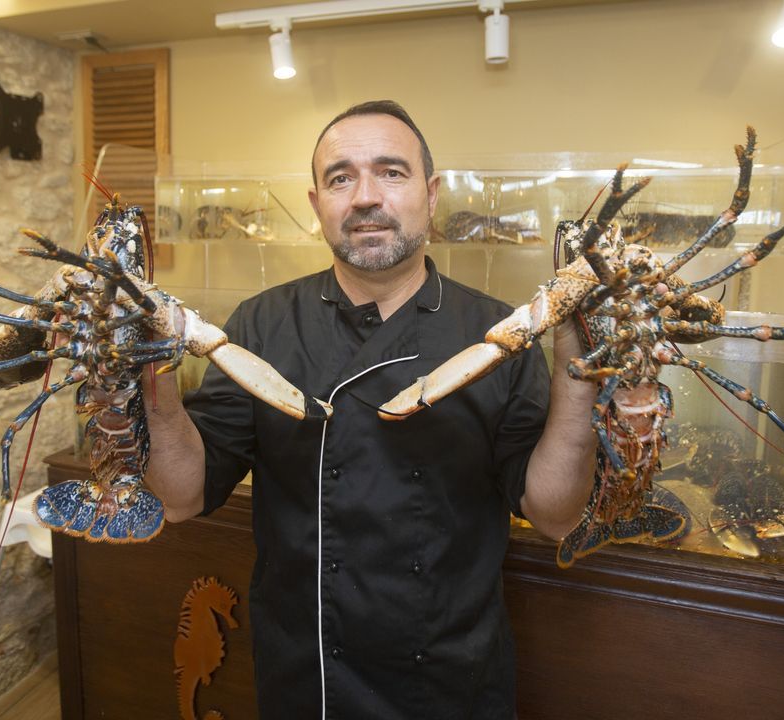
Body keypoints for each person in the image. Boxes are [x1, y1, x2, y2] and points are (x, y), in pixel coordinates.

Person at [143, 100, 597, 719]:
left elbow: (555, 513)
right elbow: (180, 496)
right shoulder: (259, 324)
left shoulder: (498, 331)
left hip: (451, 679)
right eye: (340, 178)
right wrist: (151, 375)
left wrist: (577, 365)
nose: (364, 197)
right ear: (316, 206)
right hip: (308, 676)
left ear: (431, 195)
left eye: (391, 172)